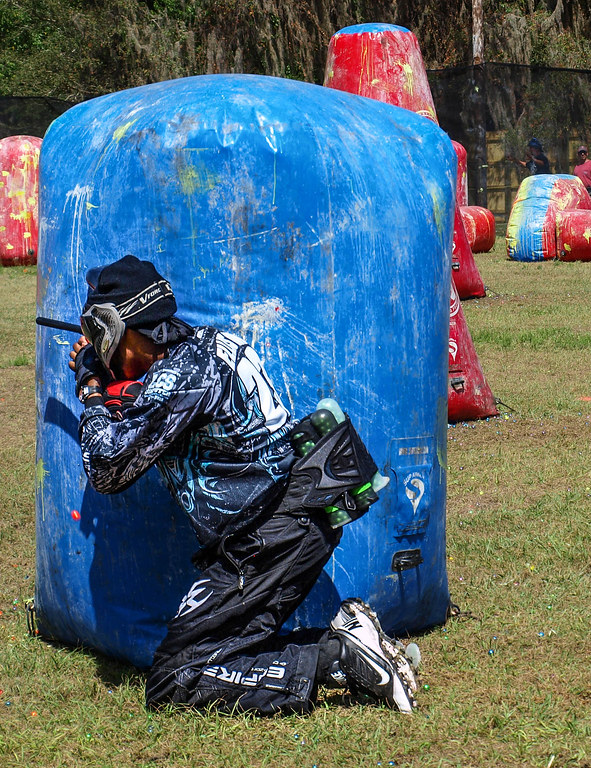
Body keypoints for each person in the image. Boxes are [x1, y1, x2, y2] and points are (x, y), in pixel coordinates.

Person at [67, 254, 420, 715]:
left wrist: (90, 384)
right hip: (279, 522)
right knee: (210, 653)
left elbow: (107, 466)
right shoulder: (202, 349)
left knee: (176, 680)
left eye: (100, 336)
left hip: (271, 536)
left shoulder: (184, 375)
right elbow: (154, 404)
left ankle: (338, 657)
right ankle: (348, 643)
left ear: (118, 328)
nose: (98, 346)